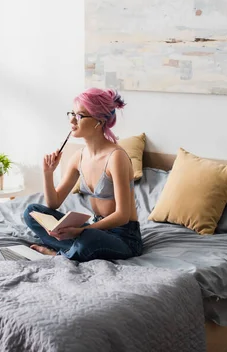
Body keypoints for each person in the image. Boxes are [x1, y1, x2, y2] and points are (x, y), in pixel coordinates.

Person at [23, 88, 143, 262]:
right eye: (72, 113)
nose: (72, 120)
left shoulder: (116, 157)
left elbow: (122, 215)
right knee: (32, 212)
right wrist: (48, 173)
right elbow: (53, 203)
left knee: (88, 240)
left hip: (123, 237)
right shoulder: (78, 156)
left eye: (79, 115)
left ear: (99, 121)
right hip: (95, 229)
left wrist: (82, 231)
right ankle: (72, 247)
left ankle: (60, 254)